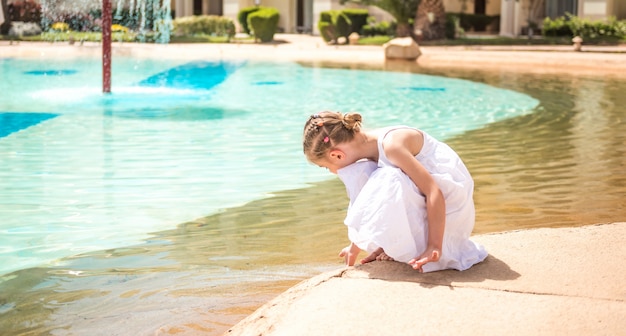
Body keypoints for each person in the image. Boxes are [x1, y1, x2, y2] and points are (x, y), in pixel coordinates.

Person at [302, 111, 487, 272]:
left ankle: (425, 243)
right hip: (428, 199)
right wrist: (355, 245)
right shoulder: (368, 147)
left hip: (448, 203)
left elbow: (433, 192)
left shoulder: (392, 147)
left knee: (385, 176)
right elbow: (369, 198)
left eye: (326, 167)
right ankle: (390, 245)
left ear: (336, 155)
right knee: (360, 173)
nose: (332, 172)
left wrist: (434, 246)